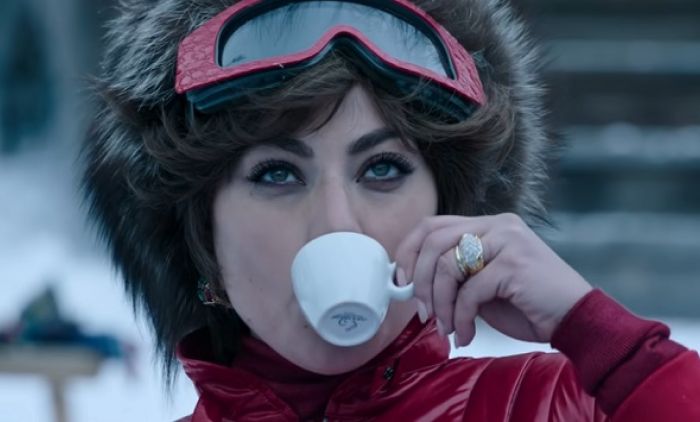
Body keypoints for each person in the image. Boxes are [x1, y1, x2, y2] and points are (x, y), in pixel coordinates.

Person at [82, 0, 700, 420]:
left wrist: (597, 335)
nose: (338, 224)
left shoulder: (552, 406)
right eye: (277, 173)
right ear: (202, 241)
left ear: (451, 210)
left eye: (381, 169)